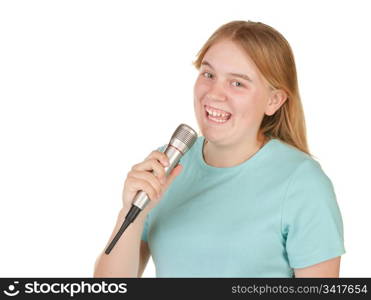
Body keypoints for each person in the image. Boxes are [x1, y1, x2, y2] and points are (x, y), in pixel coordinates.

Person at [94, 20, 345, 278]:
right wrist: (131, 215)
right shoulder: (167, 166)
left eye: (237, 83)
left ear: (273, 100)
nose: (214, 94)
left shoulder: (302, 183)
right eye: (208, 74)